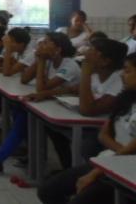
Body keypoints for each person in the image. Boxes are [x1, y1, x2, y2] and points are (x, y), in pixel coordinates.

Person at [0, 32, 81, 176]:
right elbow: (25, 79)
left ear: (58, 49)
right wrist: (40, 59)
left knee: (24, 120)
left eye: (46, 43)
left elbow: (41, 88)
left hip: (69, 113)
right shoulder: (49, 61)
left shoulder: (69, 65)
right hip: (52, 106)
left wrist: (40, 61)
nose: (41, 45)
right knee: (21, 115)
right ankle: (21, 157)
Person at [37, 53, 136, 204]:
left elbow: (130, 151)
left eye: (128, 71)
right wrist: (122, 151)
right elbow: (104, 135)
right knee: (47, 190)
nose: (122, 75)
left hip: (125, 169)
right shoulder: (126, 98)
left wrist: (95, 173)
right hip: (109, 160)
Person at [47, 37, 127, 169]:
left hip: (106, 129)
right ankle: (68, 168)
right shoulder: (97, 74)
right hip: (89, 123)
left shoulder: (118, 80)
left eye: (92, 50)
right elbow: (72, 89)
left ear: (105, 61)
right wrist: (43, 95)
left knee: (88, 145)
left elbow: (87, 110)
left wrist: (86, 72)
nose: (86, 53)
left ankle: (87, 174)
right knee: (53, 128)